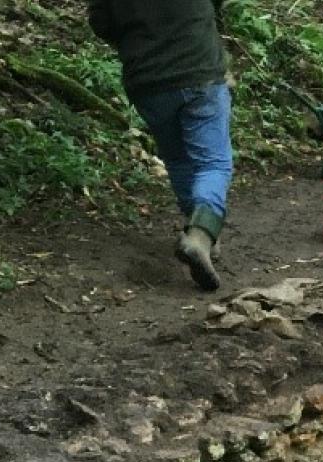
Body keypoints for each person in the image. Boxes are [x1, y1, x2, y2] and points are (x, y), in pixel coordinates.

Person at [87, 0, 233, 291]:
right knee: (212, 163)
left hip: (147, 80)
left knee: (179, 160)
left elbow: (100, 22)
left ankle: (200, 233)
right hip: (199, 69)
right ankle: (201, 235)